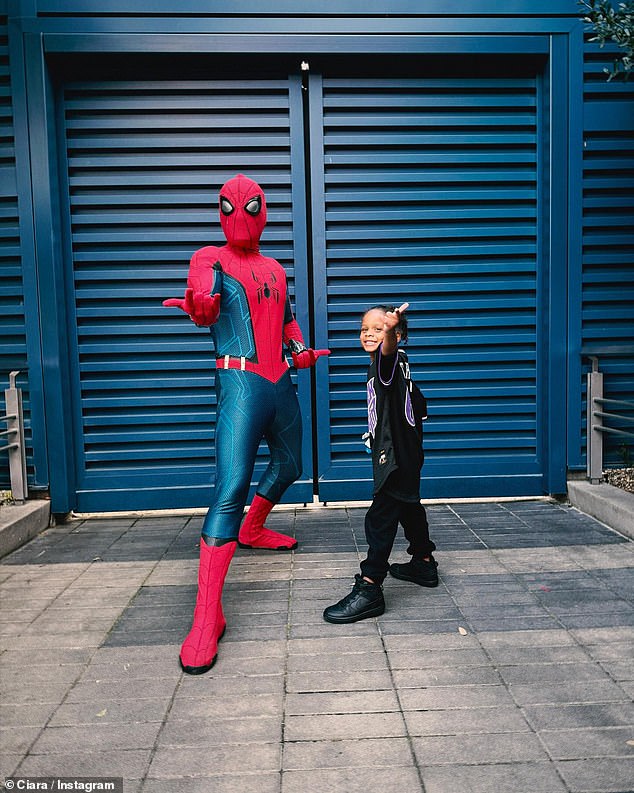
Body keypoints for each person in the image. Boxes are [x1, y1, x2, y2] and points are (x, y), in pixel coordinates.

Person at [164, 173, 328, 673]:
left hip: (279, 384)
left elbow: (285, 317)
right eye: (231, 207)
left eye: (250, 206)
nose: (239, 215)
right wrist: (200, 307)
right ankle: (206, 616)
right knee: (230, 486)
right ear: (221, 210)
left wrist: (299, 349)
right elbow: (206, 301)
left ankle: (253, 528)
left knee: (292, 464)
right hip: (239, 383)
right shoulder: (208, 257)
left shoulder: (276, 268)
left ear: (263, 212)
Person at [323, 303, 437, 624]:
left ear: (397, 335)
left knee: (380, 518)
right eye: (365, 329)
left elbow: (387, 357)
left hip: (397, 457)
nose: (369, 334)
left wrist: (388, 337)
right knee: (410, 506)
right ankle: (424, 562)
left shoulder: (387, 362)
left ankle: (371, 587)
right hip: (408, 453)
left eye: (379, 328)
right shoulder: (402, 366)